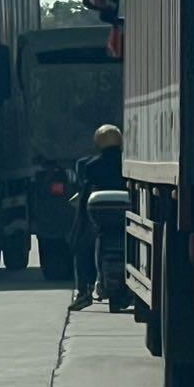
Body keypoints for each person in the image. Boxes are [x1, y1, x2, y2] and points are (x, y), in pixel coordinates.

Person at [70, 124, 124, 310]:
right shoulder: (128, 164)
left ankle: (84, 291)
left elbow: (85, 195)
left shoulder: (91, 167)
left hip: (99, 219)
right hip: (125, 218)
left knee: (82, 246)